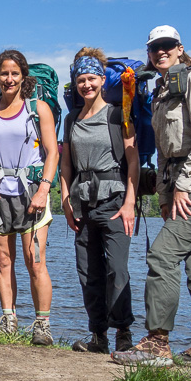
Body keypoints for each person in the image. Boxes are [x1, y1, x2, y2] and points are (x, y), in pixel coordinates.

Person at [113, 25, 191, 366]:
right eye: (154, 48)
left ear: (180, 48)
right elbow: (166, 150)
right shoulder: (164, 90)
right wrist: (166, 195)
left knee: (162, 255)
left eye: (167, 46)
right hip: (182, 183)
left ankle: (157, 342)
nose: (160, 52)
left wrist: (184, 186)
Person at [0, 49, 59, 346]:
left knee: (35, 260)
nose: (9, 79)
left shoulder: (39, 108)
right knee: (3, 260)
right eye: (4, 74)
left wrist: (45, 189)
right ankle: (8, 319)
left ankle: (42, 324)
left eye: (14, 74)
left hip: (32, 193)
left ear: (23, 77)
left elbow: (52, 152)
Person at [59, 48, 138, 354]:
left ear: (103, 80)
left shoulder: (119, 114)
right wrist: (65, 197)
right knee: (88, 271)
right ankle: (98, 337)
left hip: (115, 201)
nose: (86, 85)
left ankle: (124, 334)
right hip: (82, 203)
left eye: (92, 78)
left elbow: (132, 160)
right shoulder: (71, 119)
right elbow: (67, 164)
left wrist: (130, 201)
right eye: (81, 80)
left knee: (116, 269)